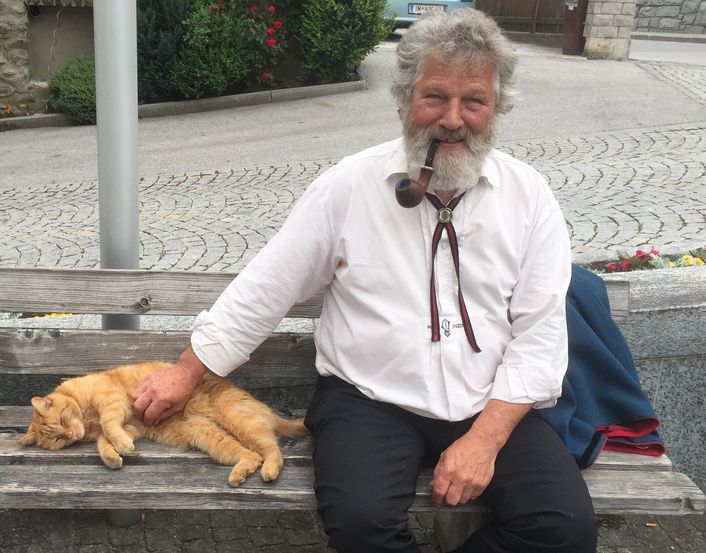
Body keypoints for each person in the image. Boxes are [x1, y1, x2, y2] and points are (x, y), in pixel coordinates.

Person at [132, 9, 597, 553]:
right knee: (361, 526)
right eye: (435, 97)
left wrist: (484, 441)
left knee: (564, 530)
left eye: (473, 101)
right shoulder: (349, 186)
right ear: (404, 99)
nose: (453, 119)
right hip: (369, 400)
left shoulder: (529, 195)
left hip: (490, 401)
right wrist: (184, 373)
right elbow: (266, 287)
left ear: (496, 107)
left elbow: (540, 333)